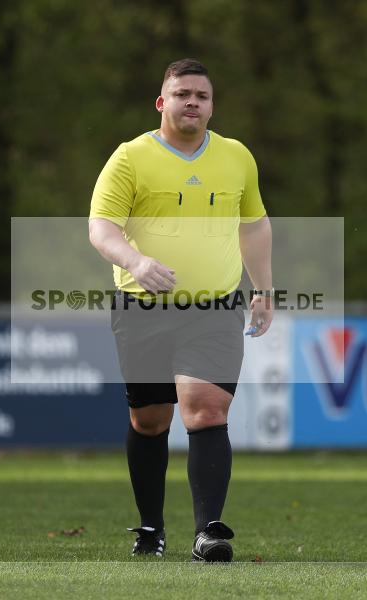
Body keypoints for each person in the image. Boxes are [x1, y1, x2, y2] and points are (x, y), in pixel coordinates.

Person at [88, 59, 273, 562]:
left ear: (212, 106)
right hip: (142, 308)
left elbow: (254, 225)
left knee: (206, 409)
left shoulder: (236, 157)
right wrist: (135, 261)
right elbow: (101, 227)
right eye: (182, 94)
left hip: (214, 307)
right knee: (150, 420)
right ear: (161, 102)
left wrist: (264, 289)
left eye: (202, 96)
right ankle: (151, 529)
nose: (193, 102)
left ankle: (208, 532)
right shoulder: (130, 158)